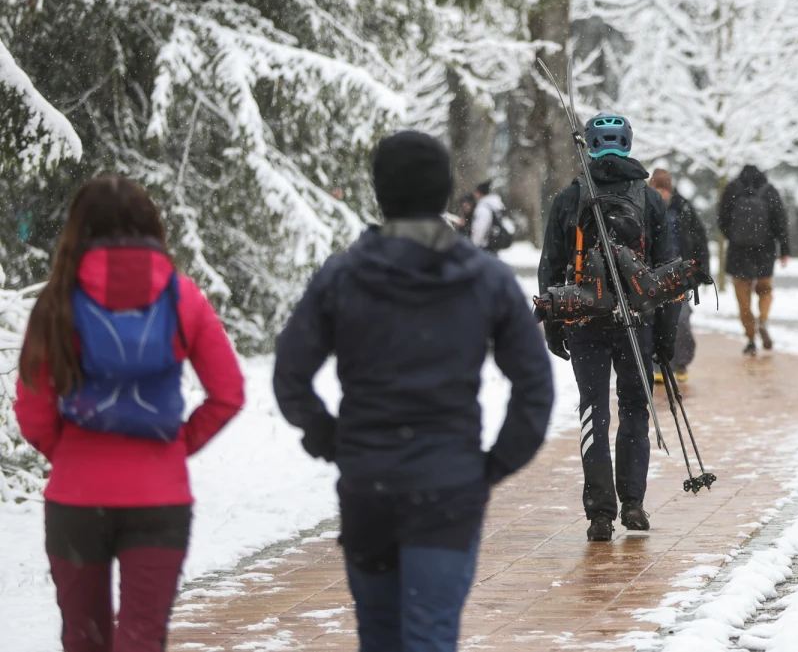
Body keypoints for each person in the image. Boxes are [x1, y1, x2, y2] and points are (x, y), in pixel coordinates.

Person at [274, 131, 554, 652]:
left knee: (379, 637)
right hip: (448, 488)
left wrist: (332, 440)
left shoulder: (343, 276)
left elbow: (290, 374)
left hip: (369, 485)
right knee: (430, 635)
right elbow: (535, 385)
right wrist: (493, 464)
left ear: (380, 191)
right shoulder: (484, 278)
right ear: (444, 191)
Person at [15, 176, 245, 652]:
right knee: (141, 640)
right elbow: (228, 393)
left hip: (76, 499)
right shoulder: (184, 299)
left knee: (84, 639)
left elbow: (33, 407)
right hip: (159, 499)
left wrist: (72, 452)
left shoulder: (57, 301)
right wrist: (177, 445)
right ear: (152, 228)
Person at [538, 113, 679, 543]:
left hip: (586, 318)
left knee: (593, 411)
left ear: (592, 146)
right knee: (635, 407)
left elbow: (551, 266)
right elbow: (666, 274)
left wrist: (554, 326)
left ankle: (600, 512)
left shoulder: (570, 197)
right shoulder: (650, 199)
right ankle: (633, 502)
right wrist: (665, 338)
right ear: (628, 144)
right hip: (636, 321)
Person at [718, 165, 790, 356]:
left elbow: (722, 220)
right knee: (765, 290)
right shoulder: (769, 191)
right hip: (764, 251)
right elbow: (780, 221)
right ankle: (763, 320)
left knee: (743, 300)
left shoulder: (732, 189)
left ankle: (750, 339)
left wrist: (734, 237)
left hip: (738, 252)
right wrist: (784, 249)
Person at [649, 168, 709, 382]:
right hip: (652, 274)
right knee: (655, 320)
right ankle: (658, 365)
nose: (662, 194)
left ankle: (681, 361)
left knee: (681, 319)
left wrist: (702, 271)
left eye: (664, 190)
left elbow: (699, 240)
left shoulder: (683, 209)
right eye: (657, 189)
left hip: (680, 274)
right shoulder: (643, 208)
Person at [469, 181, 512, 253]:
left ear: (480, 193)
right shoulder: (496, 205)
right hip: (493, 245)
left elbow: (479, 229)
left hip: (484, 247)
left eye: (476, 192)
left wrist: (473, 246)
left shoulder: (483, 208)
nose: (474, 194)